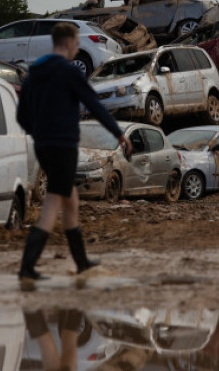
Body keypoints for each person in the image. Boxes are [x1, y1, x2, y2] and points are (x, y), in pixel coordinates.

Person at [16, 22, 132, 291]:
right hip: (64, 146)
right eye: (77, 44)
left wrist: (39, 133)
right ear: (68, 43)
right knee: (54, 202)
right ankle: (27, 266)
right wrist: (119, 134)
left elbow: (22, 116)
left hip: (43, 146)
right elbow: (93, 104)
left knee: (70, 200)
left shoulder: (33, 75)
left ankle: (81, 263)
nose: (78, 48)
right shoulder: (69, 73)